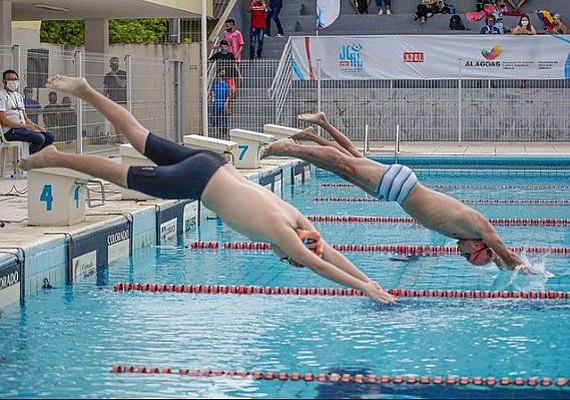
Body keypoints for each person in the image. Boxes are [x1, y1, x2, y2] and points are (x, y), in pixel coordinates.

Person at [20, 75, 396, 305]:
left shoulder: (296, 217)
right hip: (199, 181)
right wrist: (361, 288)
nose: (286, 259)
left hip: (214, 163)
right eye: (289, 257)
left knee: (138, 136)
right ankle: (55, 156)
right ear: (293, 247)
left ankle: (86, 91)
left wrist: (367, 278)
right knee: (123, 175)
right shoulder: (282, 233)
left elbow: (324, 250)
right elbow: (318, 261)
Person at [261, 112, 527, 271]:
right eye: (468, 254)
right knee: (345, 163)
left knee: (346, 163)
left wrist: (499, 264)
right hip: (401, 185)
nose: (461, 253)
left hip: (394, 192)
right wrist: (525, 269)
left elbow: (499, 258)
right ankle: (289, 147)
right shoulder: (480, 227)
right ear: (480, 245)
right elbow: (505, 252)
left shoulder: (472, 236)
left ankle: (318, 128)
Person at [0, 69, 54, 154]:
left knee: (49, 136)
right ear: (4, 81)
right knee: (39, 138)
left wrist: (35, 126)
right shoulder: (1, 95)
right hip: (10, 131)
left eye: (15, 79)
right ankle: (27, 162)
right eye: (10, 79)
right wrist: (24, 125)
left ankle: (34, 158)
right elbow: (3, 120)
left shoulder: (18, 96)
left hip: (22, 128)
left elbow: (25, 117)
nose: (13, 82)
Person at [209, 39, 242, 114]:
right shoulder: (217, 55)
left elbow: (234, 64)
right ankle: (223, 108)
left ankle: (228, 106)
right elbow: (209, 61)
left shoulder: (230, 55)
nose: (224, 47)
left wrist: (239, 74)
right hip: (221, 78)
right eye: (222, 46)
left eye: (225, 46)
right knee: (221, 93)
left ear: (228, 47)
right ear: (220, 46)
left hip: (230, 76)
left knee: (232, 93)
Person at [103, 57, 128, 143]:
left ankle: (123, 138)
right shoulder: (107, 76)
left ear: (118, 64)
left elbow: (122, 84)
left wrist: (115, 76)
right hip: (112, 101)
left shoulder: (123, 73)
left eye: (115, 63)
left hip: (121, 101)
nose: (113, 65)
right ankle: (119, 138)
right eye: (112, 63)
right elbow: (105, 89)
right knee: (114, 120)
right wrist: (103, 100)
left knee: (122, 120)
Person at [209, 69, 231, 139]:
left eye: (224, 73)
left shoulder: (226, 85)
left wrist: (226, 104)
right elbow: (211, 92)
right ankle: (218, 136)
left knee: (221, 122)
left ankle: (220, 136)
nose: (223, 74)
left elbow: (228, 96)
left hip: (222, 105)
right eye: (222, 72)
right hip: (215, 105)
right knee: (215, 121)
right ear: (218, 73)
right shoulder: (214, 83)